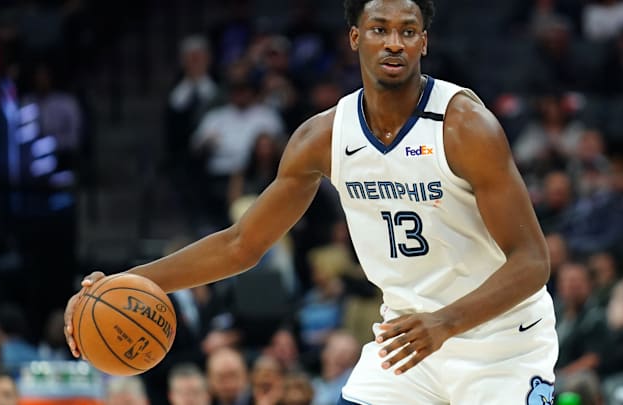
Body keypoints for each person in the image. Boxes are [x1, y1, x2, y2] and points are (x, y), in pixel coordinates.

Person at [65, 1, 557, 403]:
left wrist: (445, 322)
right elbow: (241, 243)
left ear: (424, 42)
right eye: (379, 28)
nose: (393, 42)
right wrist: (127, 281)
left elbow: (533, 261)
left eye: (408, 31)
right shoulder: (322, 137)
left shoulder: (466, 127)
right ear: (354, 37)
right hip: (408, 345)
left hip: (500, 341)